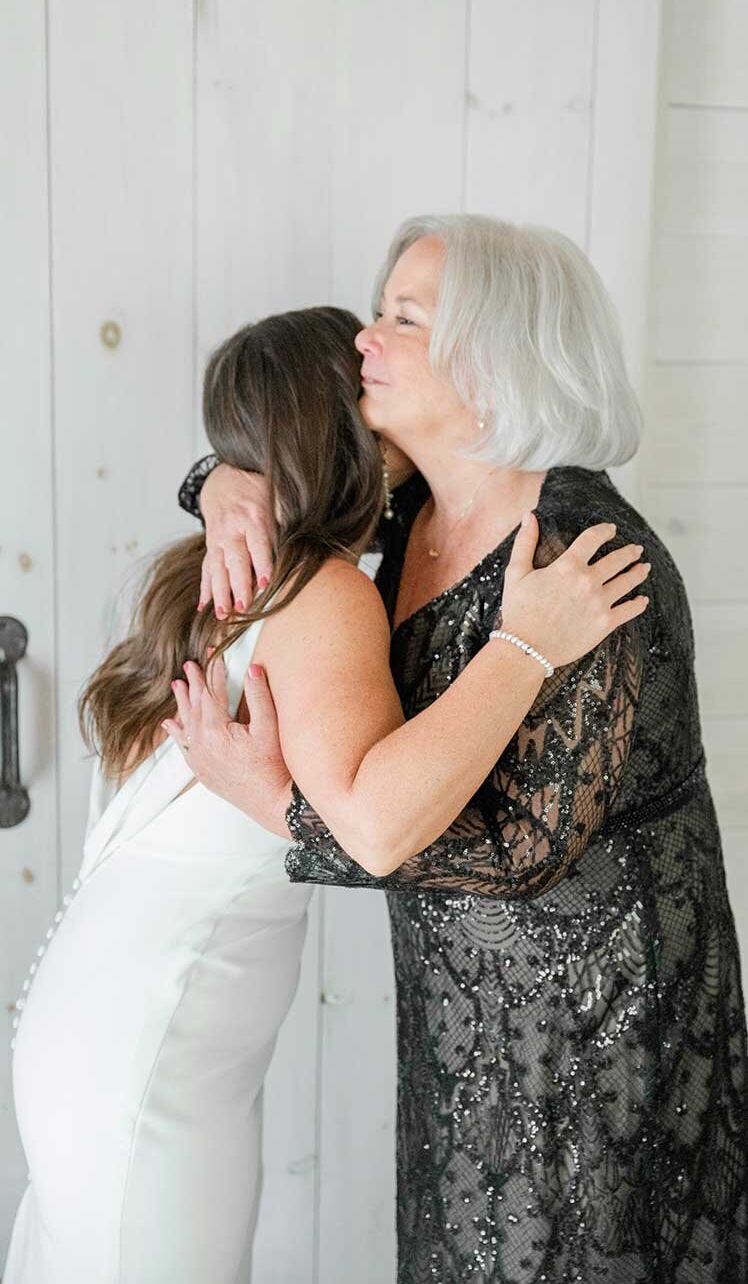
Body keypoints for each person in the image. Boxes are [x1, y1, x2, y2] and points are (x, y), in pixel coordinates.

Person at [171, 214, 748, 1283]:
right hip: (463, 1008)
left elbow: (515, 848)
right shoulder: (408, 511)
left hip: (597, 1033)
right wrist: (226, 483)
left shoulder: (585, 557)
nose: (363, 341)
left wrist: (282, 809)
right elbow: (282, 441)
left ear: (496, 357)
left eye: (402, 317)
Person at [5, 304, 642, 1284]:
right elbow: (379, 824)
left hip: (102, 1020)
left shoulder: (205, 569)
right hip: (150, 1050)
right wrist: (528, 646)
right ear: (342, 426)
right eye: (370, 378)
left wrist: (222, 478)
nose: (390, 382)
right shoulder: (323, 588)